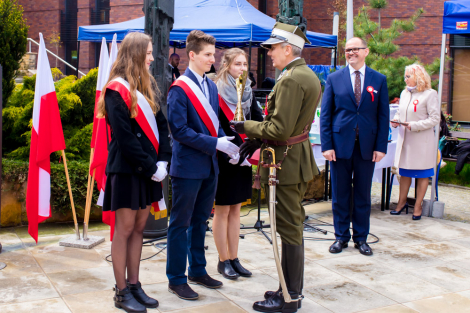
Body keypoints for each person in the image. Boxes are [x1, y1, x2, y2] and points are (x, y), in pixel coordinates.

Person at [231, 22, 321, 313]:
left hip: (286, 160)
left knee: (289, 227)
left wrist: (246, 127)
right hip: (293, 157)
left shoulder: (292, 79)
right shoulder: (304, 75)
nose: (269, 53)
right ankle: (288, 288)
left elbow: (280, 128)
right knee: (290, 224)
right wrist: (258, 139)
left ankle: (290, 296)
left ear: (287, 48)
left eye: (272, 48)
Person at [97, 32, 171, 313]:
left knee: (140, 228)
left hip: (148, 170)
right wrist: (151, 167)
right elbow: (125, 138)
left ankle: (135, 284)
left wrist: (163, 160)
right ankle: (120, 291)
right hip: (128, 170)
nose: (152, 57)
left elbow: (162, 126)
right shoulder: (116, 89)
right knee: (124, 229)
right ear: (137, 53)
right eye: (149, 52)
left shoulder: (146, 85)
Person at [166, 30, 239, 301]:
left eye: (214, 53)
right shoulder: (179, 89)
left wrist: (226, 143)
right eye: (208, 54)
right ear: (192, 55)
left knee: (200, 221)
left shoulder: (209, 85)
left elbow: (214, 124)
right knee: (180, 223)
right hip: (187, 168)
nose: (213, 59)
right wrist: (214, 144)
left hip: (209, 166)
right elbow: (179, 131)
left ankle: (197, 269)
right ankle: (176, 278)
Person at [320, 37, 390, 256]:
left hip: (367, 147)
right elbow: (326, 115)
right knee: (340, 195)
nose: (350, 53)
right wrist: (327, 145)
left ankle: (361, 238)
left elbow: (383, 116)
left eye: (355, 49)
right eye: (347, 50)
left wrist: (381, 146)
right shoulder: (334, 78)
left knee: (362, 195)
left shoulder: (378, 80)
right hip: (339, 147)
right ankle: (341, 237)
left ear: (366, 51)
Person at [213, 48, 263, 280]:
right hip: (225, 158)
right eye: (237, 65)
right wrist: (230, 153)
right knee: (222, 211)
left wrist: (253, 146)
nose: (242, 69)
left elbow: (257, 121)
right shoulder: (216, 90)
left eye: (244, 64)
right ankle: (223, 260)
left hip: (243, 158)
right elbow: (214, 125)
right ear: (226, 66)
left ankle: (234, 258)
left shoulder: (247, 91)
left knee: (236, 210)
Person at [390, 64, 440, 220]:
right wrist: (396, 120)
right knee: (404, 173)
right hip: (406, 140)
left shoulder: (430, 94)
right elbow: (400, 112)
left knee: (422, 174)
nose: (405, 79)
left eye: (408, 76)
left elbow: (435, 119)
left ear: (418, 77)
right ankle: (401, 202)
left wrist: (414, 126)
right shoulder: (405, 93)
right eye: (405, 76)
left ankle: (418, 206)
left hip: (422, 141)